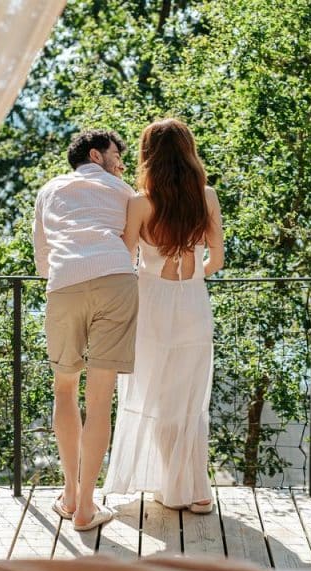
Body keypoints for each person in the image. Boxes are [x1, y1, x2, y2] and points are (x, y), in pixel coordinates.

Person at [102, 118, 224, 512]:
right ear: (189, 152)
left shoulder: (140, 203)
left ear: (148, 156)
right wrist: (189, 284)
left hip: (151, 302)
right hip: (193, 303)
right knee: (189, 400)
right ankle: (197, 491)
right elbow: (216, 260)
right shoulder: (207, 196)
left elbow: (124, 261)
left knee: (155, 398)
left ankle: (174, 490)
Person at [32, 129, 138, 531]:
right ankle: (87, 508)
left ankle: (70, 493)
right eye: (116, 154)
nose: (121, 162)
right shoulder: (123, 191)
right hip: (115, 279)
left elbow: (41, 252)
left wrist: (63, 273)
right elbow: (133, 245)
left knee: (64, 388)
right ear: (95, 155)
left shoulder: (50, 190)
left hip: (64, 284)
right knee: (100, 399)